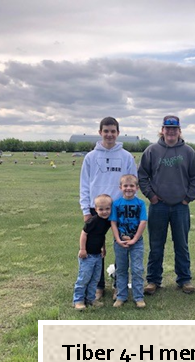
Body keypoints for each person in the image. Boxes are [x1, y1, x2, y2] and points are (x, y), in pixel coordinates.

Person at [138, 115, 195, 295]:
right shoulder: (151, 151)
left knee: (182, 244)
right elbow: (142, 176)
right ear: (162, 130)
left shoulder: (189, 152)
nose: (171, 132)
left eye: (174, 129)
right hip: (159, 206)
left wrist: (187, 198)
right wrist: (151, 196)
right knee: (156, 244)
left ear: (179, 131)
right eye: (167, 128)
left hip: (181, 206)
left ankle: (184, 279)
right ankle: (153, 280)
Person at [79, 116, 138, 300]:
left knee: (121, 247)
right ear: (100, 132)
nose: (109, 134)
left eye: (113, 131)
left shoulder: (126, 156)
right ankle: (98, 286)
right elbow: (84, 184)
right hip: (97, 210)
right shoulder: (90, 157)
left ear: (118, 133)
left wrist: (129, 208)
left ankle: (118, 285)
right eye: (106, 131)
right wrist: (86, 210)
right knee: (95, 248)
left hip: (119, 209)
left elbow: (133, 183)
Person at [110, 174, 148, 308]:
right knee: (121, 269)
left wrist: (135, 239)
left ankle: (138, 297)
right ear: (120, 187)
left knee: (137, 269)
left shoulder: (140, 203)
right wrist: (118, 239)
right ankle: (121, 296)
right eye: (125, 186)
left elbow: (143, 221)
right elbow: (113, 222)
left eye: (132, 186)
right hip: (120, 243)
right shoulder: (116, 204)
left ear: (137, 188)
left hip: (136, 242)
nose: (128, 188)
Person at [72, 194, 113, 310]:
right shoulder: (93, 220)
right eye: (101, 209)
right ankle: (78, 300)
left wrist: (103, 248)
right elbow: (84, 234)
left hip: (98, 255)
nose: (104, 212)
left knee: (95, 278)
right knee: (84, 278)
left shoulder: (107, 222)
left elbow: (102, 236)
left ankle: (90, 299)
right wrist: (83, 249)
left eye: (107, 209)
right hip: (87, 255)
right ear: (95, 209)